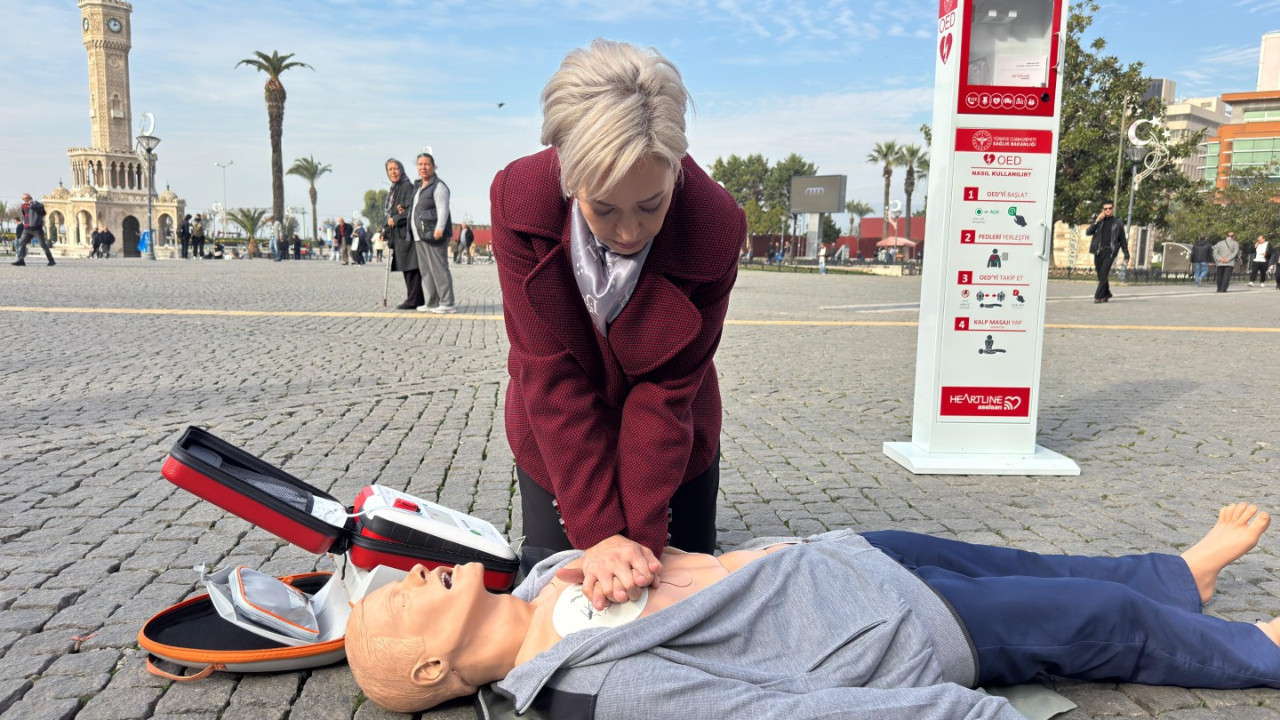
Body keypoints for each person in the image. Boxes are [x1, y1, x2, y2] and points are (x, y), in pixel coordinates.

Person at [346, 503, 1280, 717]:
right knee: (1094, 620)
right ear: (431, 670)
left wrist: (619, 547)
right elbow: (781, 713)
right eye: (397, 605)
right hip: (901, 633)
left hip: (844, 560)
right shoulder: (591, 694)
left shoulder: (550, 571)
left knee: (1040, 565)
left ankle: (1178, 574)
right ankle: (1251, 649)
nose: (407, 578)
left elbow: (670, 560)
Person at [490, 40, 745, 598]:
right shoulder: (519, 201)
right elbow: (548, 373)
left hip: (674, 429)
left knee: (678, 586)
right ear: (564, 166)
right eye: (603, 208)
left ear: (676, 166)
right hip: (553, 430)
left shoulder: (715, 225)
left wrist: (640, 543)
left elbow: (667, 390)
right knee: (557, 584)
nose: (629, 233)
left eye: (651, 205)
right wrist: (603, 534)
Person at [411, 152, 456, 313]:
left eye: (426, 164)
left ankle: (447, 302)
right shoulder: (418, 186)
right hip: (420, 235)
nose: (423, 167)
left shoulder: (438, 186)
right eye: (420, 164)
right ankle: (431, 302)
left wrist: (440, 228)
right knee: (426, 271)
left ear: (433, 166)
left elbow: (443, 209)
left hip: (434, 234)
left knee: (439, 268)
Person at [385, 158, 422, 309]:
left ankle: (414, 299)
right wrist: (385, 230)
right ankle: (414, 298)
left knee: (411, 267)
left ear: (401, 169)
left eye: (396, 168)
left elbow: (412, 210)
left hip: (408, 234)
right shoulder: (395, 189)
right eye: (390, 170)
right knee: (407, 267)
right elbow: (391, 213)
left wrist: (397, 218)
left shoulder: (406, 187)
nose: (393, 172)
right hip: (399, 234)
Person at [1085, 201, 1128, 303]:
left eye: (1110, 208)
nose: (1108, 210)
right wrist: (1096, 221)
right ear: (1102, 210)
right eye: (1105, 209)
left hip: (1110, 251)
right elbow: (1088, 232)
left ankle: (1098, 296)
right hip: (1098, 251)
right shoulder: (1099, 221)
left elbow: (1122, 240)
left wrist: (1126, 254)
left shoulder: (1118, 222)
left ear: (1113, 209)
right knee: (1101, 275)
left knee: (1104, 274)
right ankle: (1107, 294)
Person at [12, 193, 55, 267]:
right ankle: (21, 260)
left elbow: (43, 213)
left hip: (37, 229)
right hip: (27, 229)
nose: (24, 200)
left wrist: (31, 203)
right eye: (23, 199)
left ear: (29, 198)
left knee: (43, 245)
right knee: (22, 243)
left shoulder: (38, 204)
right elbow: (25, 215)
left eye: (26, 199)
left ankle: (51, 260)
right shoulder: (23, 206)